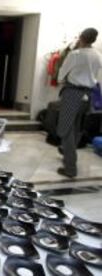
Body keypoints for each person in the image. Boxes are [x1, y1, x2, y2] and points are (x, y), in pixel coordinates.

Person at [57, 28, 102, 178]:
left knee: (66, 129)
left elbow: (62, 73)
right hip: (88, 95)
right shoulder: (98, 55)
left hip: (73, 93)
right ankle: (67, 153)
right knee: (76, 127)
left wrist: (60, 80)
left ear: (81, 37)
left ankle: (70, 168)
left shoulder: (75, 54)